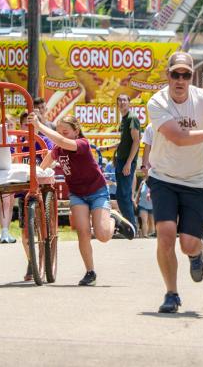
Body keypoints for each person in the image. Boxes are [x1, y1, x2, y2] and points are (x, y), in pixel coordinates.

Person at [146, 50, 203, 314]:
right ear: (168, 75)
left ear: (192, 77)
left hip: (196, 180)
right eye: (175, 74)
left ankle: (197, 254)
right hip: (163, 177)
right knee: (165, 236)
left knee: (188, 243)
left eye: (185, 75)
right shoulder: (157, 102)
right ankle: (171, 294)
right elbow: (178, 136)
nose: (180, 79)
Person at [35, 113, 133, 286]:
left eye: (65, 132)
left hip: (97, 191)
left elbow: (64, 142)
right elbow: (45, 163)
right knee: (83, 232)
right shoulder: (58, 149)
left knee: (102, 236)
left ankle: (113, 219)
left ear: (76, 131)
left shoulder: (82, 144)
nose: (61, 136)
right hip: (77, 194)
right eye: (59, 132)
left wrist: (40, 126)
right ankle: (90, 271)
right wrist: (36, 175)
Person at [113, 92, 142, 232]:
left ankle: (132, 227)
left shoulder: (132, 118)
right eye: (120, 100)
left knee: (124, 195)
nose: (122, 102)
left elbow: (136, 141)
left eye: (125, 100)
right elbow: (123, 141)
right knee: (120, 195)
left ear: (129, 103)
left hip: (126, 162)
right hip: (120, 160)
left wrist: (129, 163)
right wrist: (108, 147)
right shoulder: (124, 119)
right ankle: (128, 226)